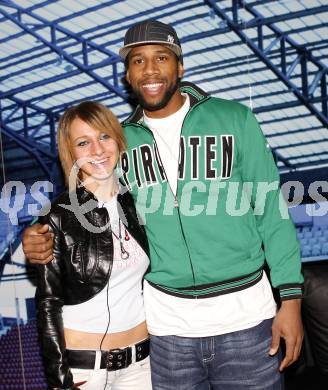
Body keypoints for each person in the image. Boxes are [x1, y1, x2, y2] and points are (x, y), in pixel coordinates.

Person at [23, 20, 304, 390]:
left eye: (161, 58)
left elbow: (272, 211)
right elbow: (85, 198)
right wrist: (36, 233)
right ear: (128, 75)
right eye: (138, 61)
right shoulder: (120, 143)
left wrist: (291, 298)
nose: (150, 69)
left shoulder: (235, 119)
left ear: (180, 67)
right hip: (168, 334)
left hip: (247, 322)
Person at [34, 101, 152, 390]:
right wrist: (60, 380)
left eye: (104, 136)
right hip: (84, 372)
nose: (97, 150)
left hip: (141, 366)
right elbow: (48, 304)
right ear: (70, 152)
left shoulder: (138, 202)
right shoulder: (58, 215)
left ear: (117, 139)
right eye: (83, 142)